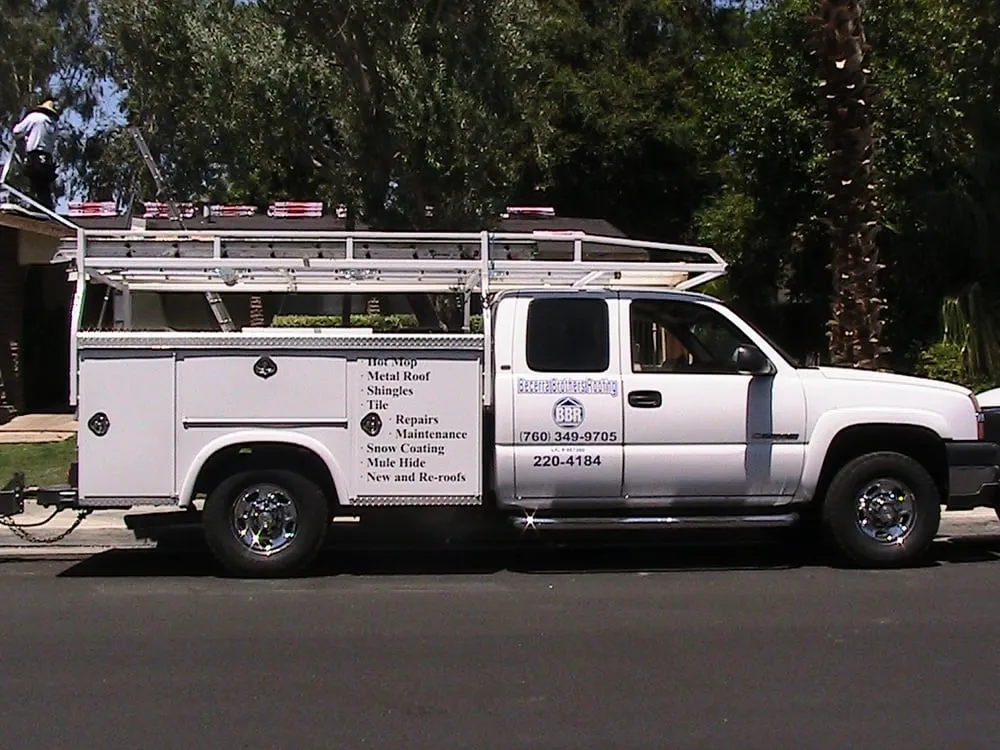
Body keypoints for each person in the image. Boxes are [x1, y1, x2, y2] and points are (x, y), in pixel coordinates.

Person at [12, 98, 60, 210]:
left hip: (35, 156)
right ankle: (46, 208)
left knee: (35, 184)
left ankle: (36, 208)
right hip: (47, 159)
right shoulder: (54, 125)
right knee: (43, 187)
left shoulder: (35, 117)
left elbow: (17, 131)